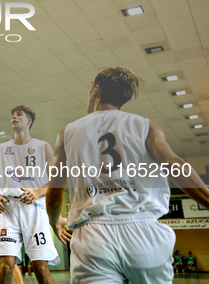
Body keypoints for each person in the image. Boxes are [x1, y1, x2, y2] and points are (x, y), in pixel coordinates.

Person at [47, 66, 209, 283]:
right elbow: (174, 164)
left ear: (96, 89)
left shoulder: (66, 133)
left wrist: (55, 220)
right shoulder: (146, 126)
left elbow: (55, 194)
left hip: (93, 236)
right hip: (143, 230)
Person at [0, 105, 59, 284]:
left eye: (19, 114)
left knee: (40, 266)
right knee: (5, 265)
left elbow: (56, 181)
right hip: (7, 210)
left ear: (29, 121)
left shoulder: (43, 146)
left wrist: (37, 192)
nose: (14, 117)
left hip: (34, 210)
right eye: (12, 114)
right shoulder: (1, 148)